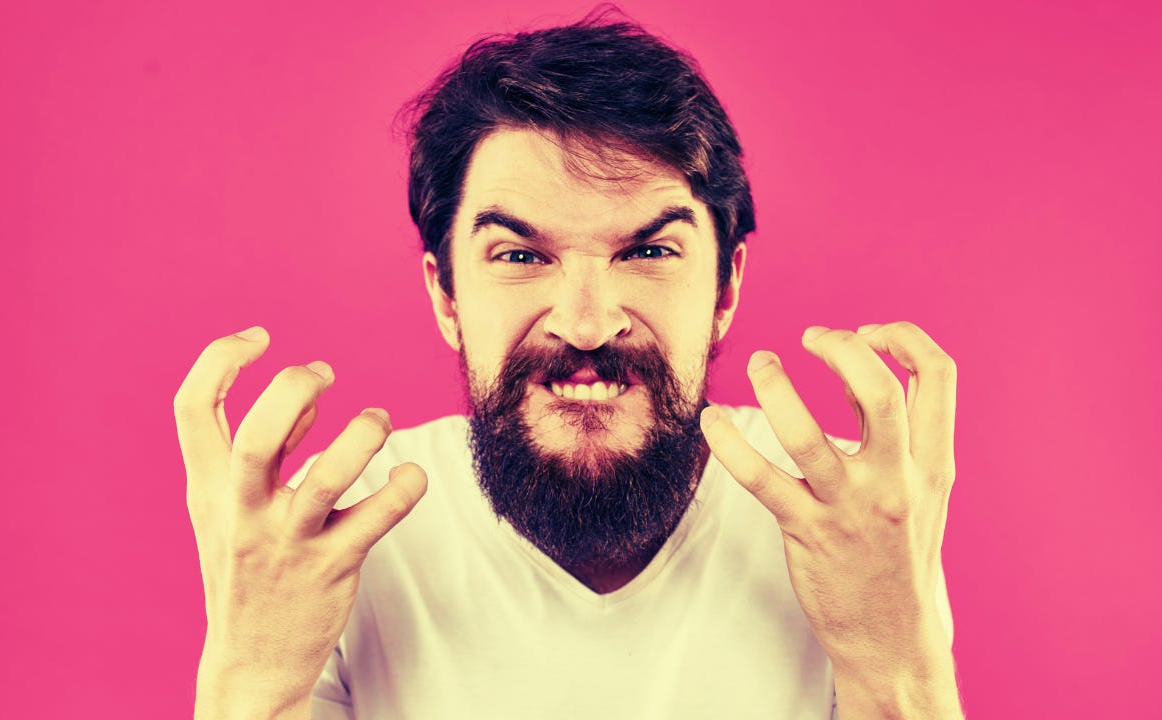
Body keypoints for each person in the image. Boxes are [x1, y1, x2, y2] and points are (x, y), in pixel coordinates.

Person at [174, 11, 964, 720]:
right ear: (446, 297)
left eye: (649, 251)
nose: (587, 322)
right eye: (519, 254)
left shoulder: (853, 520)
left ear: (726, 289)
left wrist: (897, 665)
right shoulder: (325, 538)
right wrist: (252, 676)